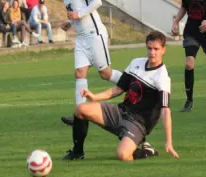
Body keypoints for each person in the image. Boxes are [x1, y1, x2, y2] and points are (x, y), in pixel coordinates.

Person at [62, 32, 178, 161]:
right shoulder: (136, 63)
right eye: (149, 48)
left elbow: (165, 110)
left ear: (163, 50)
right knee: (81, 109)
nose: (152, 52)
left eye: (156, 49)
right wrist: (94, 97)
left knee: (122, 155)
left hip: (137, 124)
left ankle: (147, 151)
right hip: (120, 111)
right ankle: (77, 153)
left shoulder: (162, 77)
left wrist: (169, 141)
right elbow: (118, 89)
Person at [55, 0, 124, 127]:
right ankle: (80, 113)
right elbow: (76, 12)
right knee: (79, 73)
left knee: (105, 74)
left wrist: (79, 15)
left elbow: (97, 2)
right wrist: (70, 22)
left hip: (95, 35)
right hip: (81, 38)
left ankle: (135, 84)